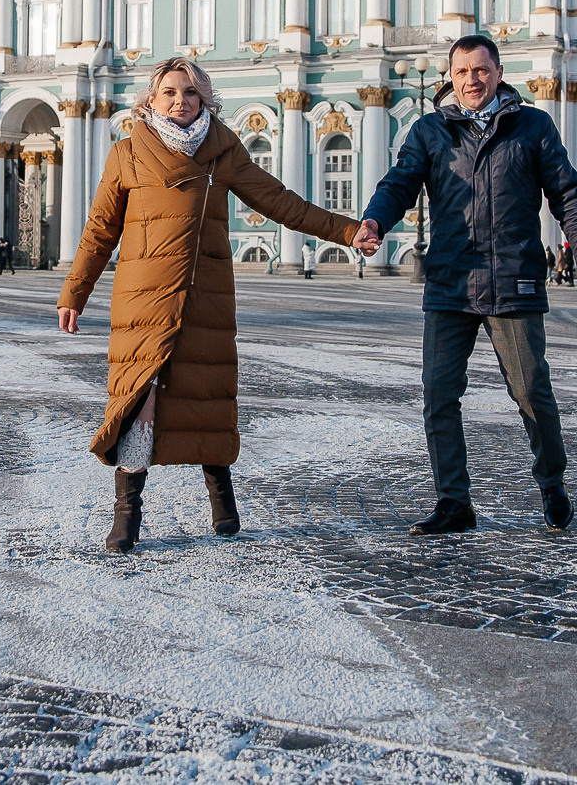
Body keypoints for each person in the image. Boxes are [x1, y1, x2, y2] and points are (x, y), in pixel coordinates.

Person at [59, 56, 362, 554]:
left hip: (206, 296)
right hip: (143, 299)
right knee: (138, 400)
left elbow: (279, 201)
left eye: (191, 93)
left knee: (208, 399)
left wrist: (346, 231)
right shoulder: (127, 154)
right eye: (171, 93)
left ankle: (222, 498)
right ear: (151, 100)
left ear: (205, 99)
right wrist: (75, 291)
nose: (181, 101)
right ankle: (127, 514)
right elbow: (99, 230)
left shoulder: (223, 150)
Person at [355, 34, 577, 538]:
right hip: (449, 281)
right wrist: (375, 222)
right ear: (450, 76)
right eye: (462, 70)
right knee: (439, 394)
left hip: (515, 280)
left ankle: (552, 487)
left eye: (481, 70)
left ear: (498, 73)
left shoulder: (531, 125)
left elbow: (567, 193)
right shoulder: (429, 131)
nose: (472, 79)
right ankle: (454, 502)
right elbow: (399, 183)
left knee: (532, 391)